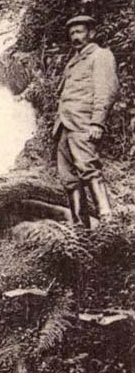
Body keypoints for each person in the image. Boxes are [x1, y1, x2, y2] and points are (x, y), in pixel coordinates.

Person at [53, 15, 119, 226]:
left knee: (88, 168)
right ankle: (80, 227)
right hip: (64, 125)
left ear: (92, 33)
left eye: (79, 32)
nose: (75, 37)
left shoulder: (100, 55)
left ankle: (107, 219)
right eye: (72, 33)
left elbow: (106, 91)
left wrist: (97, 122)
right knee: (69, 178)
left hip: (83, 123)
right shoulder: (73, 62)